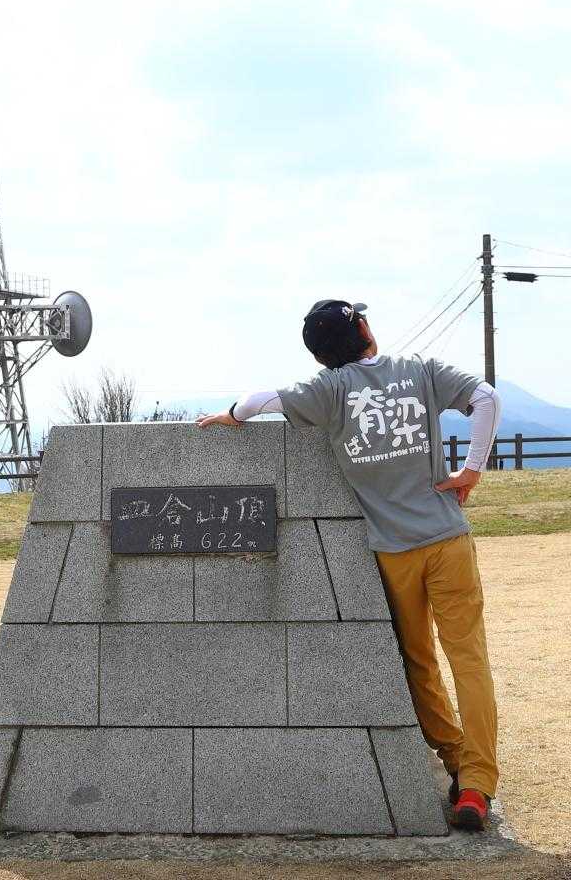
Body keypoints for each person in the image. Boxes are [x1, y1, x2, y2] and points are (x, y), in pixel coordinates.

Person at [197, 299, 503, 831]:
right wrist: (471, 469)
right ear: (363, 329)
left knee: (418, 661)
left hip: (393, 552)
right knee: (469, 660)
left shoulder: (328, 391)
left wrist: (233, 415)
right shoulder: (419, 372)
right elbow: (486, 398)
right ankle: (476, 784)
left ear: (320, 356)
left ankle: (454, 757)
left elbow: (258, 400)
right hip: (447, 539)